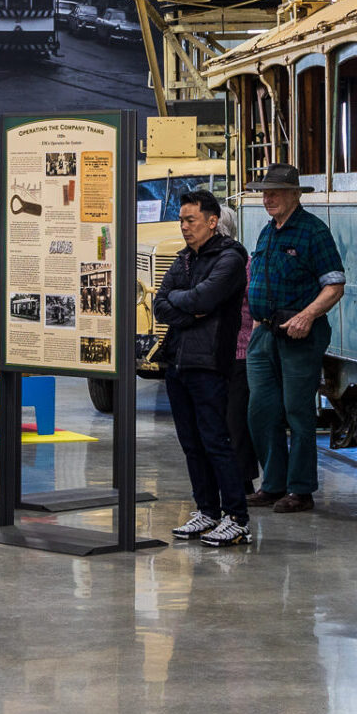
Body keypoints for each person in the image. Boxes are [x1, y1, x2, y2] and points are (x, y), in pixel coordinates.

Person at [153, 190, 252, 547]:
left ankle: (237, 518)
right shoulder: (183, 259)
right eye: (181, 220)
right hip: (178, 361)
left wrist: (187, 302)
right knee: (191, 444)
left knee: (216, 441)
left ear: (212, 221)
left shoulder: (231, 258)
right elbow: (160, 306)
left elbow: (206, 298)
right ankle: (207, 511)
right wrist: (188, 305)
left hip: (210, 362)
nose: (184, 227)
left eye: (190, 220)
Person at [243, 164, 344, 515]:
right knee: (261, 411)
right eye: (264, 192)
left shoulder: (314, 232)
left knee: (297, 412)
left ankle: (300, 490)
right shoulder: (267, 232)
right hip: (265, 334)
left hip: (300, 334)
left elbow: (334, 285)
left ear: (295, 194)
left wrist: (308, 315)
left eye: (275, 192)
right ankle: (273, 484)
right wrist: (257, 325)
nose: (267, 198)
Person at [216, 206, 259, 499]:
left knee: (235, 420)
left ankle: (241, 482)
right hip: (216, 352)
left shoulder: (241, 261)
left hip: (239, 350)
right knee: (223, 420)